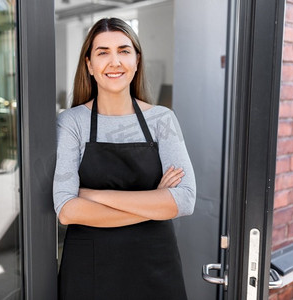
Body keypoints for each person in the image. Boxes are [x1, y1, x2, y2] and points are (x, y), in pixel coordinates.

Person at [53, 17, 196, 300]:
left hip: (155, 266)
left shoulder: (162, 120)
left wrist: (92, 195)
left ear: (137, 61)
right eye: (103, 52)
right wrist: (154, 201)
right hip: (89, 270)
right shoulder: (72, 122)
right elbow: (68, 211)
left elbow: (184, 201)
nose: (114, 61)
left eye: (124, 50)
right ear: (90, 65)